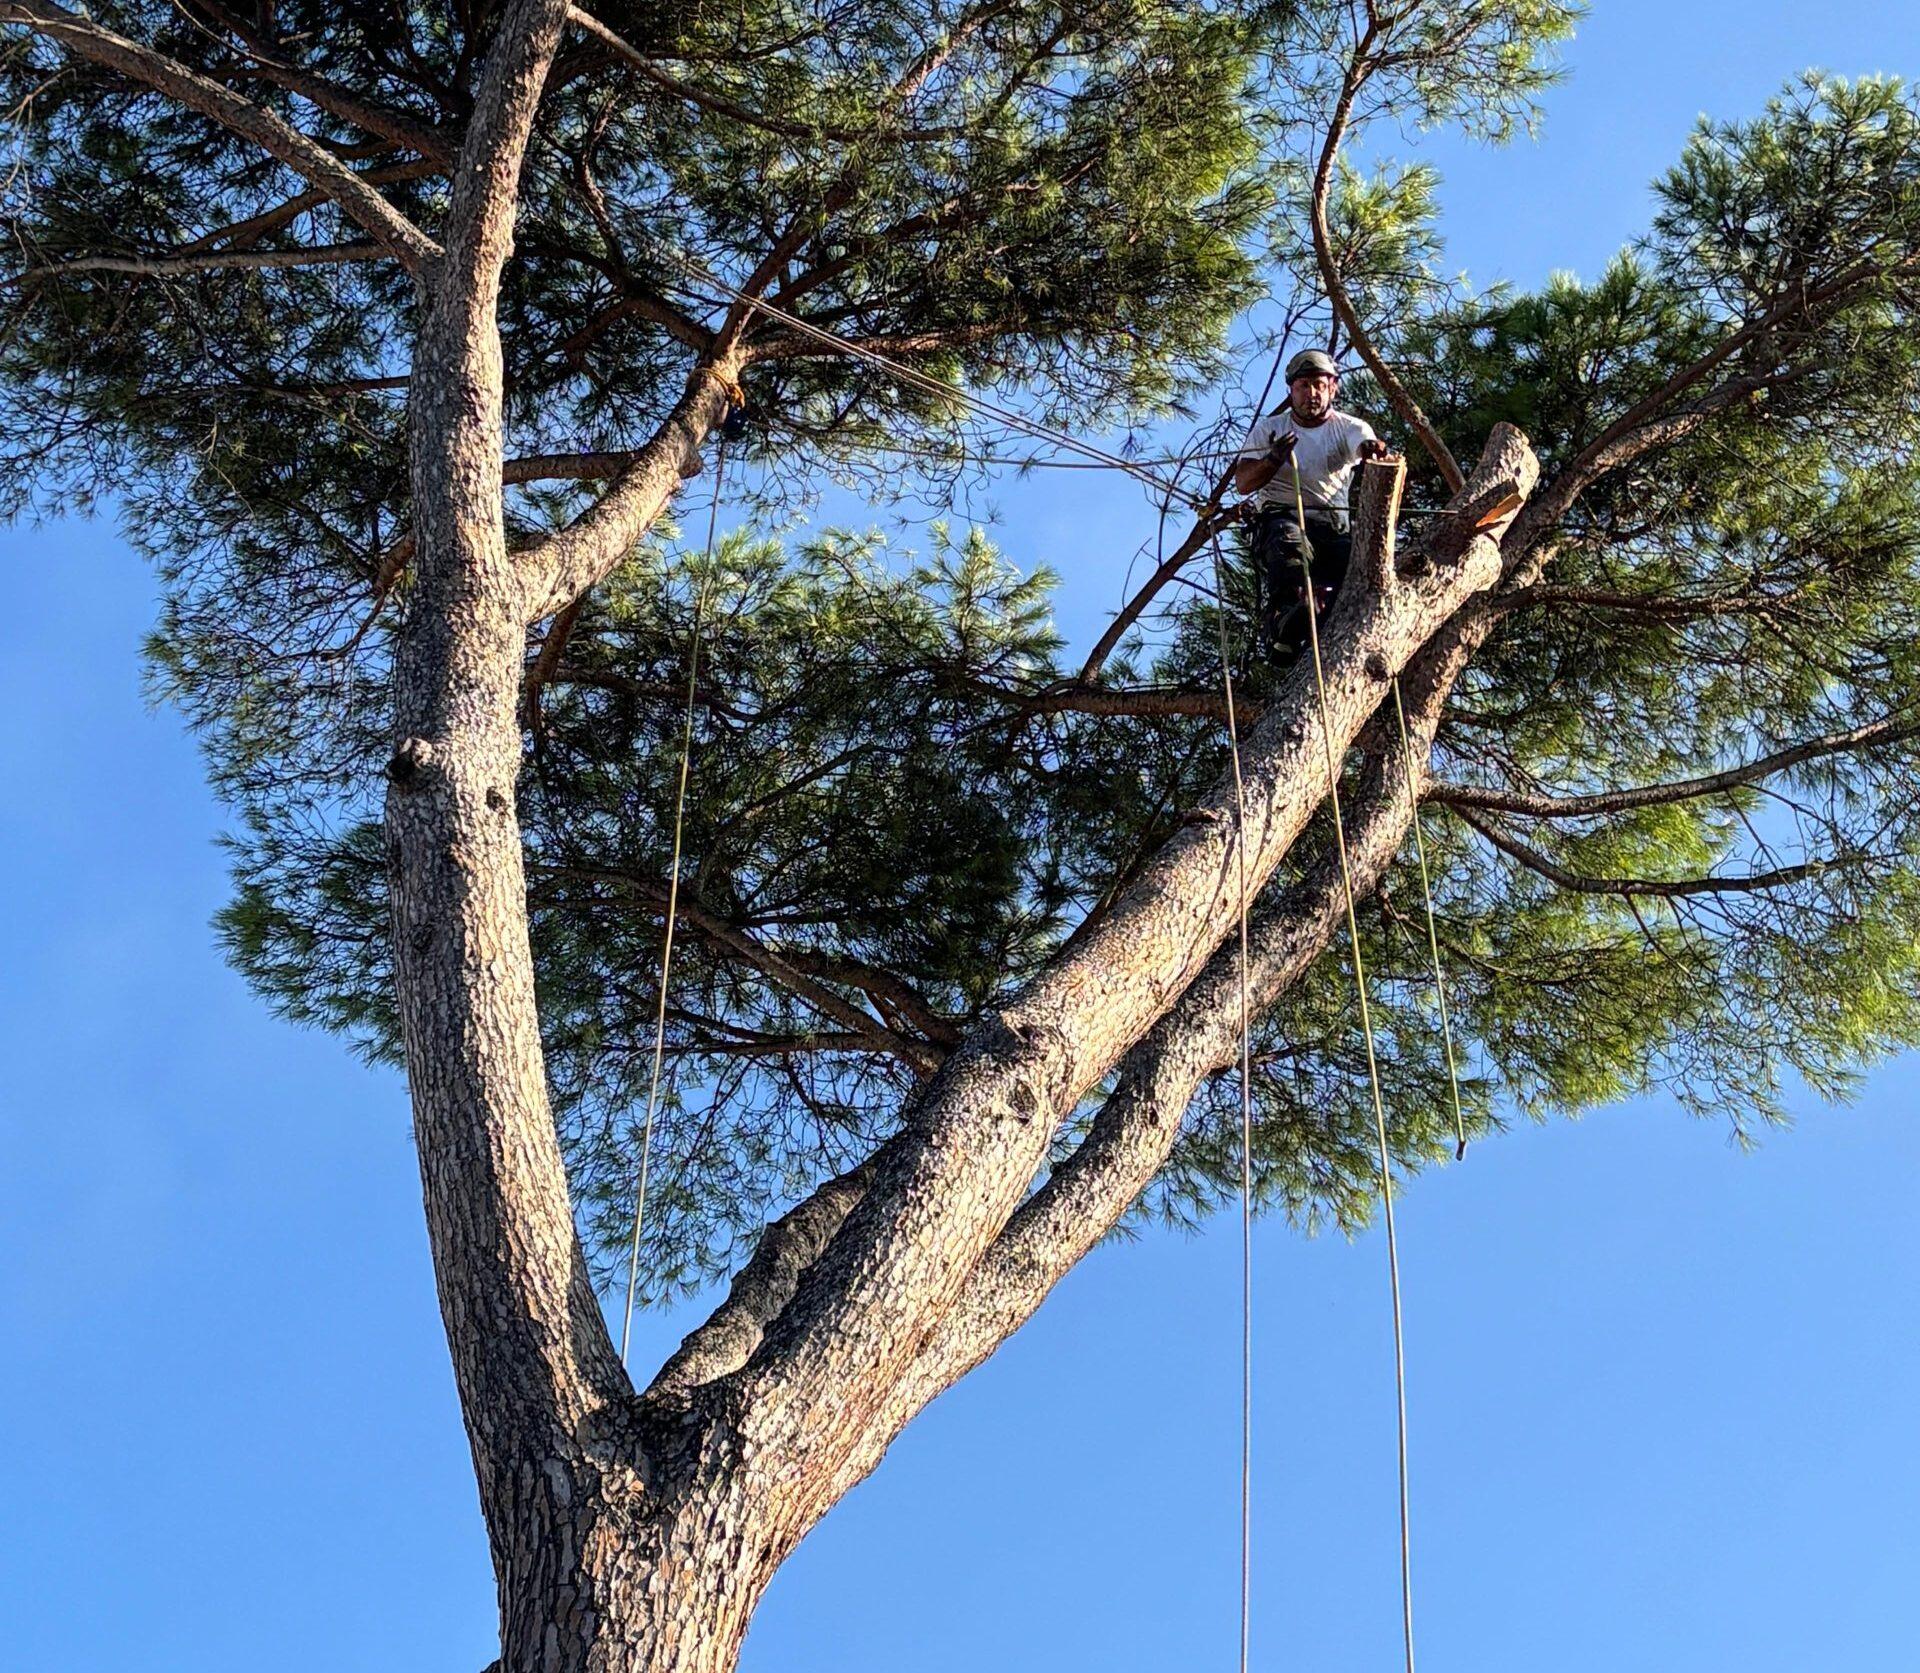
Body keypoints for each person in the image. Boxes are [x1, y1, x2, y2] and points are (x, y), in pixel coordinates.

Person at [1233, 349, 1393, 660]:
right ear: (1291, 391)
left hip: (1332, 529)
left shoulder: (1348, 427)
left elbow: (1364, 447)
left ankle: (1335, 627)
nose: (1312, 394)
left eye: (1319, 385)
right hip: (1282, 518)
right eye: (1303, 386)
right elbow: (1244, 483)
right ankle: (1285, 620)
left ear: (1333, 387)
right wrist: (1272, 459)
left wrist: (1373, 451)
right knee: (1288, 545)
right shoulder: (1270, 429)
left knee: (1359, 568)